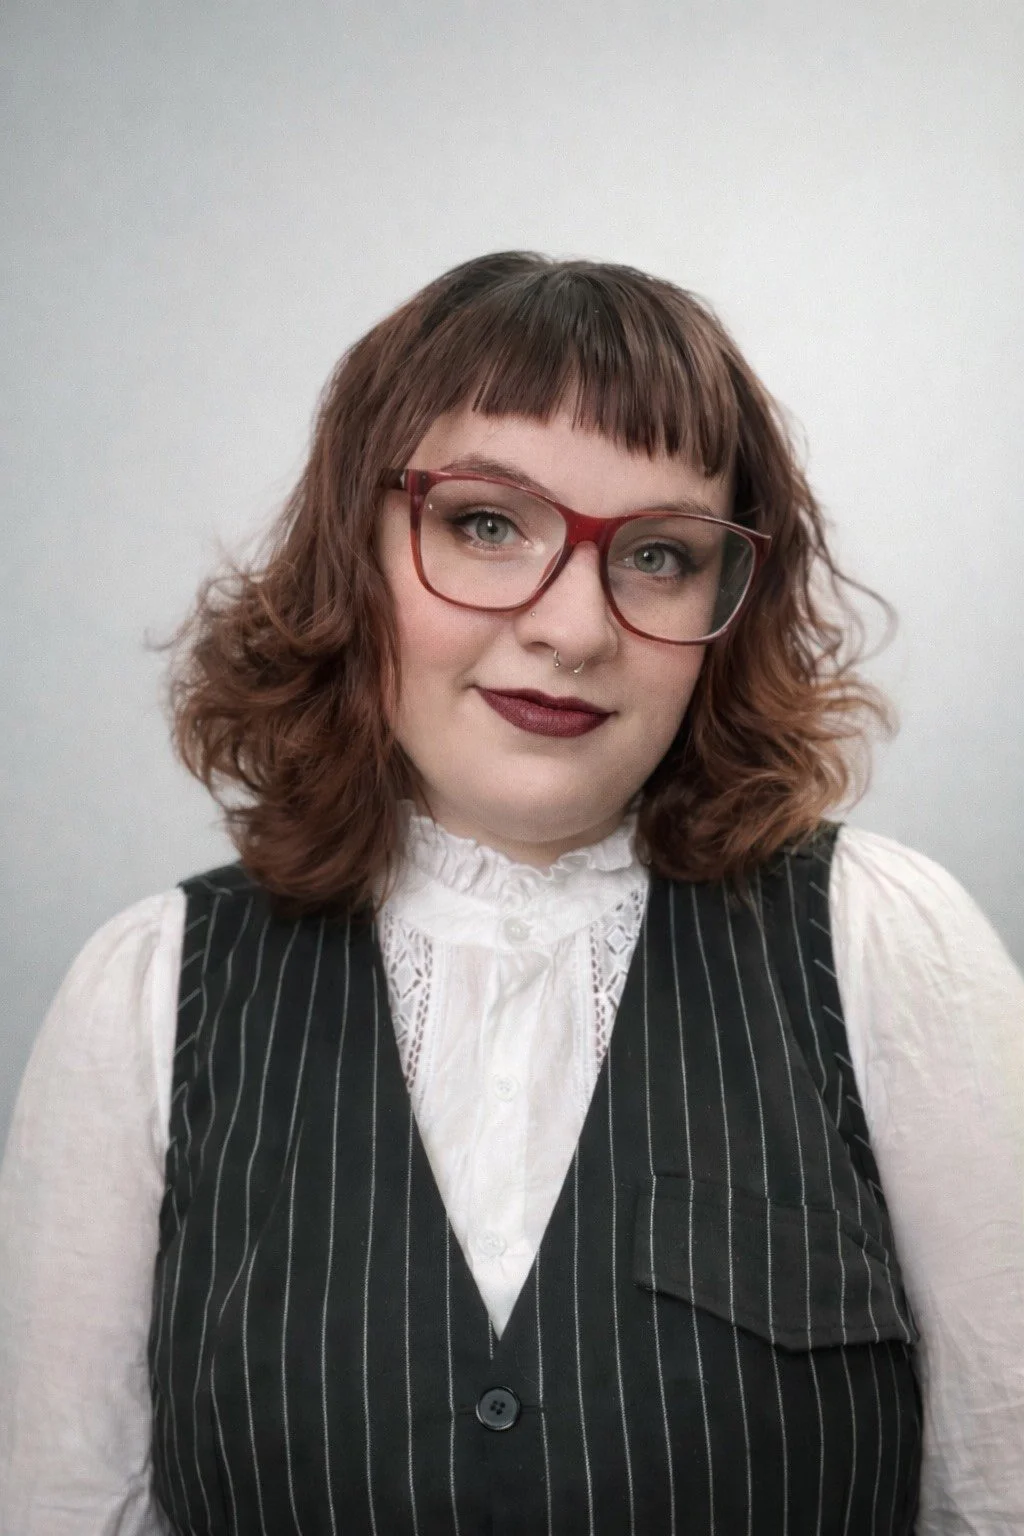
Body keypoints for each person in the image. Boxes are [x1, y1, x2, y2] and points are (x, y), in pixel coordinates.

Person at [1, 252, 1022, 1536]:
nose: (576, 628)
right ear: (353, 552)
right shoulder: (148, 994)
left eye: (657, 553)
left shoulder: (884, 945)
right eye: (488, 524)